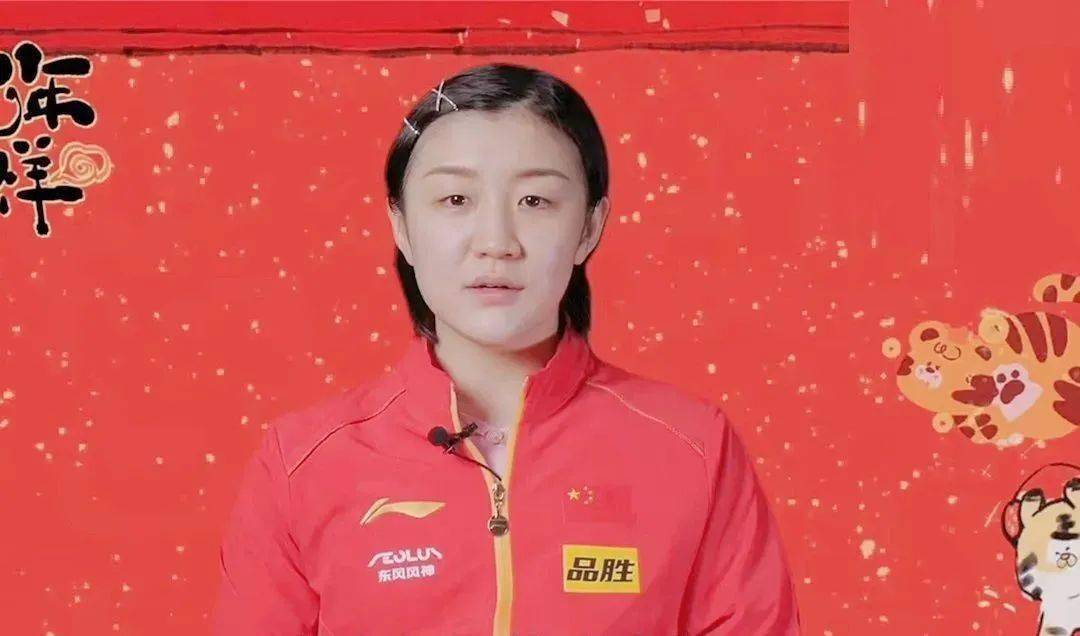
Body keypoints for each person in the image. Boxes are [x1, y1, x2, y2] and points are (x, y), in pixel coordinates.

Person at [211, 62, 801, 635]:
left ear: (589, 227)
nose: (496, 242)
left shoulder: (692, 447)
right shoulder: (303, 462)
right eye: (455, 200)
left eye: (535, 201)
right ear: (402, 227)